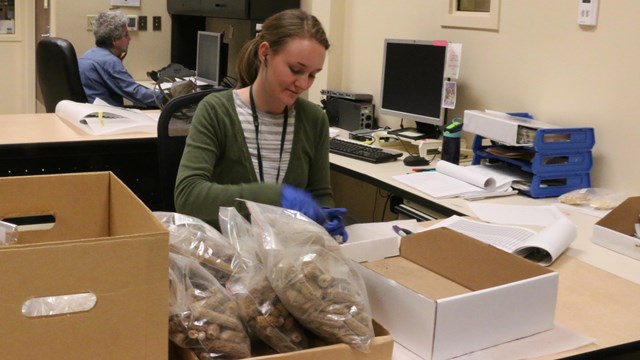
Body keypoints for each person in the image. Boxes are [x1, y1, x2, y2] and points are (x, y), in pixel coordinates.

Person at [174, 9, 348, 241]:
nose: (303, 83)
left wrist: (325, 216)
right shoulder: (216, 110)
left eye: (313, 75)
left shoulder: (314, 119)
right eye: (296, 70)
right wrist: (273, 195)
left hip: (287, 257)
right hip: (225, 255)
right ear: (265, 53)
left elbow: (320, 193)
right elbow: (188, 195)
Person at [78, 10, 161, 108]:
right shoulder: (109, 62)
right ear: (114, 40)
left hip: (91, 112)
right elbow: (136, 93)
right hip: (107, 117)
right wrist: (170, 95)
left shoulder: (87, 56)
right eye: (126, 35)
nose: (130, 39)